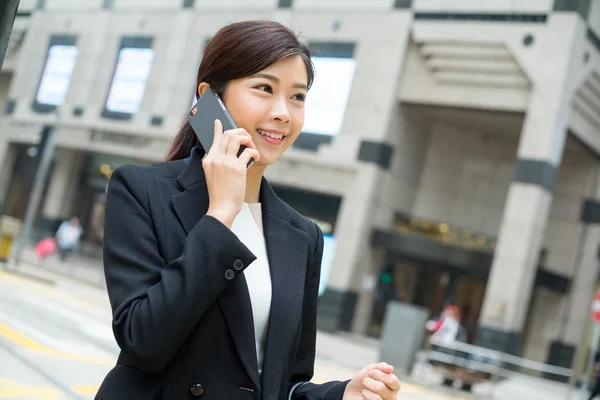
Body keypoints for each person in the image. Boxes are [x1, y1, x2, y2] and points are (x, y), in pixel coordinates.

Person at [96, 20, 401, 400]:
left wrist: (340, 394)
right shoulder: (141, 191)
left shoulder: (302, 236)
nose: (283, 113)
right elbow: (143, 339)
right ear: (210, 97)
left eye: (297, 97)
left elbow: (284, 384)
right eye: (264, 88)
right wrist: (221, 213)